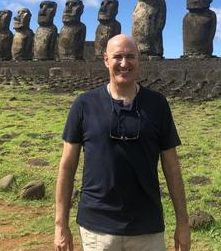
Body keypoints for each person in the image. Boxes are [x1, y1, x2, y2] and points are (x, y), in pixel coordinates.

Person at [54, 34, 191, 251]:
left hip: (147, 227)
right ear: (106, 60)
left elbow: (172, 167)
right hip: (97, 227)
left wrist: (183, 223)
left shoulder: (158, 105)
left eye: (131, 57)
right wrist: (60, 224)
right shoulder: (84, 104)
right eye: (117, 57)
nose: (124, 63)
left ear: (139, 60)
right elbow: (67, 166)